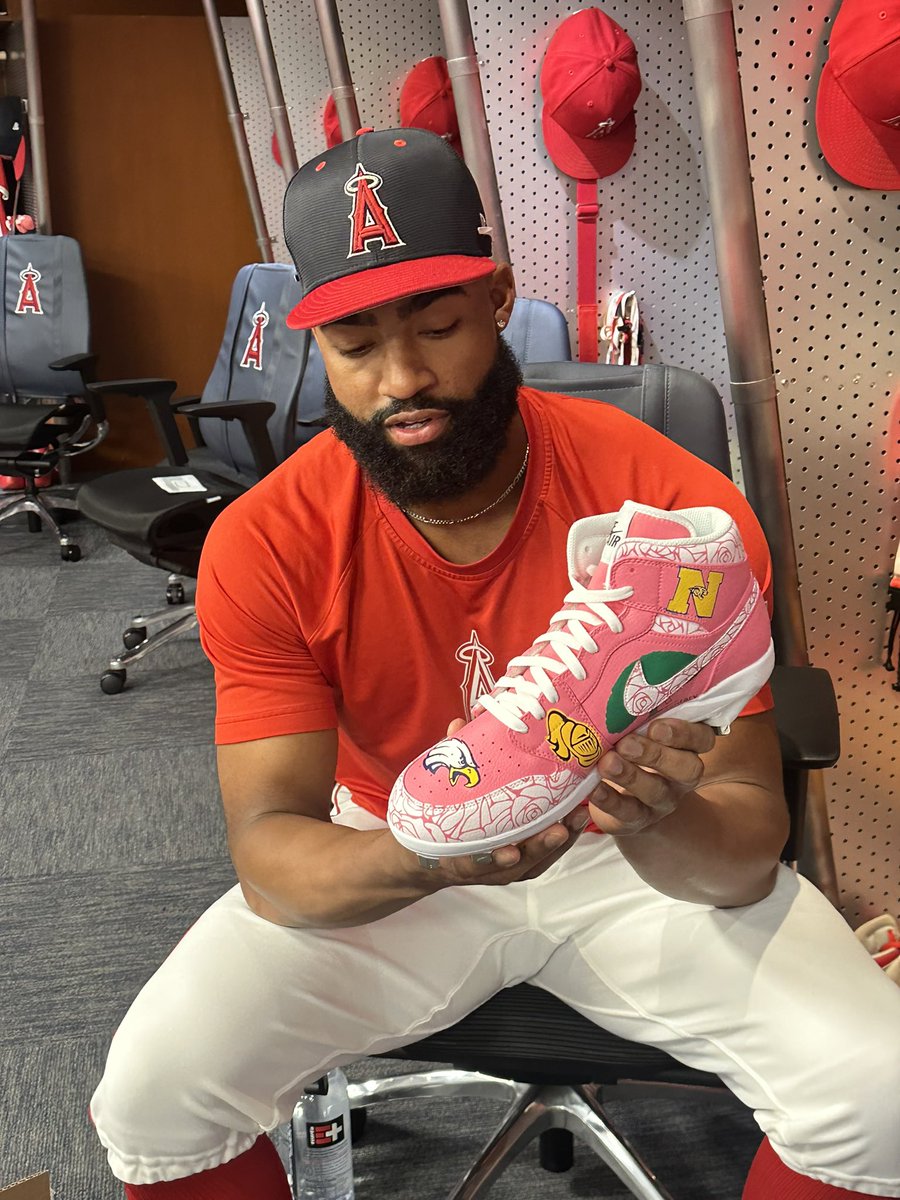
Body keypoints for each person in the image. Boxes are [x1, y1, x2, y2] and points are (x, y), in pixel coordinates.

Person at [90, 129, 900, 1199]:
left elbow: (746, 841)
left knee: (879, 1099)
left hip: (625, 859)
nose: (404, 380)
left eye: (436, 326)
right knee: (152, 1097)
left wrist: (663, 820)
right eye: (356, 345)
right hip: (395, 847)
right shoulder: (268, 540)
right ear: (315, 345)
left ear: (499, 296)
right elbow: (271, 856)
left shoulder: (671, 512)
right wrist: (428, 861)